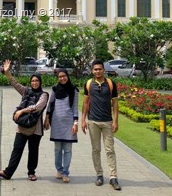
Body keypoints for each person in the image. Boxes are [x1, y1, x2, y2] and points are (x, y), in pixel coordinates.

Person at [0, 59, 49, 181]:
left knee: (33, 151)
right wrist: (7, 72)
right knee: (17, 149)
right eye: (33, 81)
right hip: (23, 126)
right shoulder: (26, 92)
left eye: (37, 81)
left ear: (40, 82)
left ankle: (31, 172)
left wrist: (21, 111)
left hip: (36, 128)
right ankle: (8, 173)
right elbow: (14, 83)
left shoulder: (44, 95)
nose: (34, 83)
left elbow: (36, 107)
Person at [81, 59, 122, 191]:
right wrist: (83, 120)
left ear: (104, 70)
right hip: (93, 121)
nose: (98, 71)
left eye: (100, 69)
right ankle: (99, 174)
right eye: (95, 69)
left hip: (107, 121)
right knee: (96, 149)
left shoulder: (110, 84)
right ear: (92, 71)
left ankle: (113, 177)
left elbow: (115, 103)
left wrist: (116, 121)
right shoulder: (88, 84)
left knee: (110, 150)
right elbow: (86, 103)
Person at [44, 68, 79, 183]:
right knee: (58, 149)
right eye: (60, 77)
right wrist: (47, 118)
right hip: (57, 122)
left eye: (64, 76)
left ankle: (65, 172)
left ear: (67, 76)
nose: (62, 78)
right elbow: (50, 104)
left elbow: (75, 108)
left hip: (69, 123)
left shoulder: (73, 90)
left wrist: (75, 122)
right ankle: (59, 170)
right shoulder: (55, 89)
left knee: (68, 149)